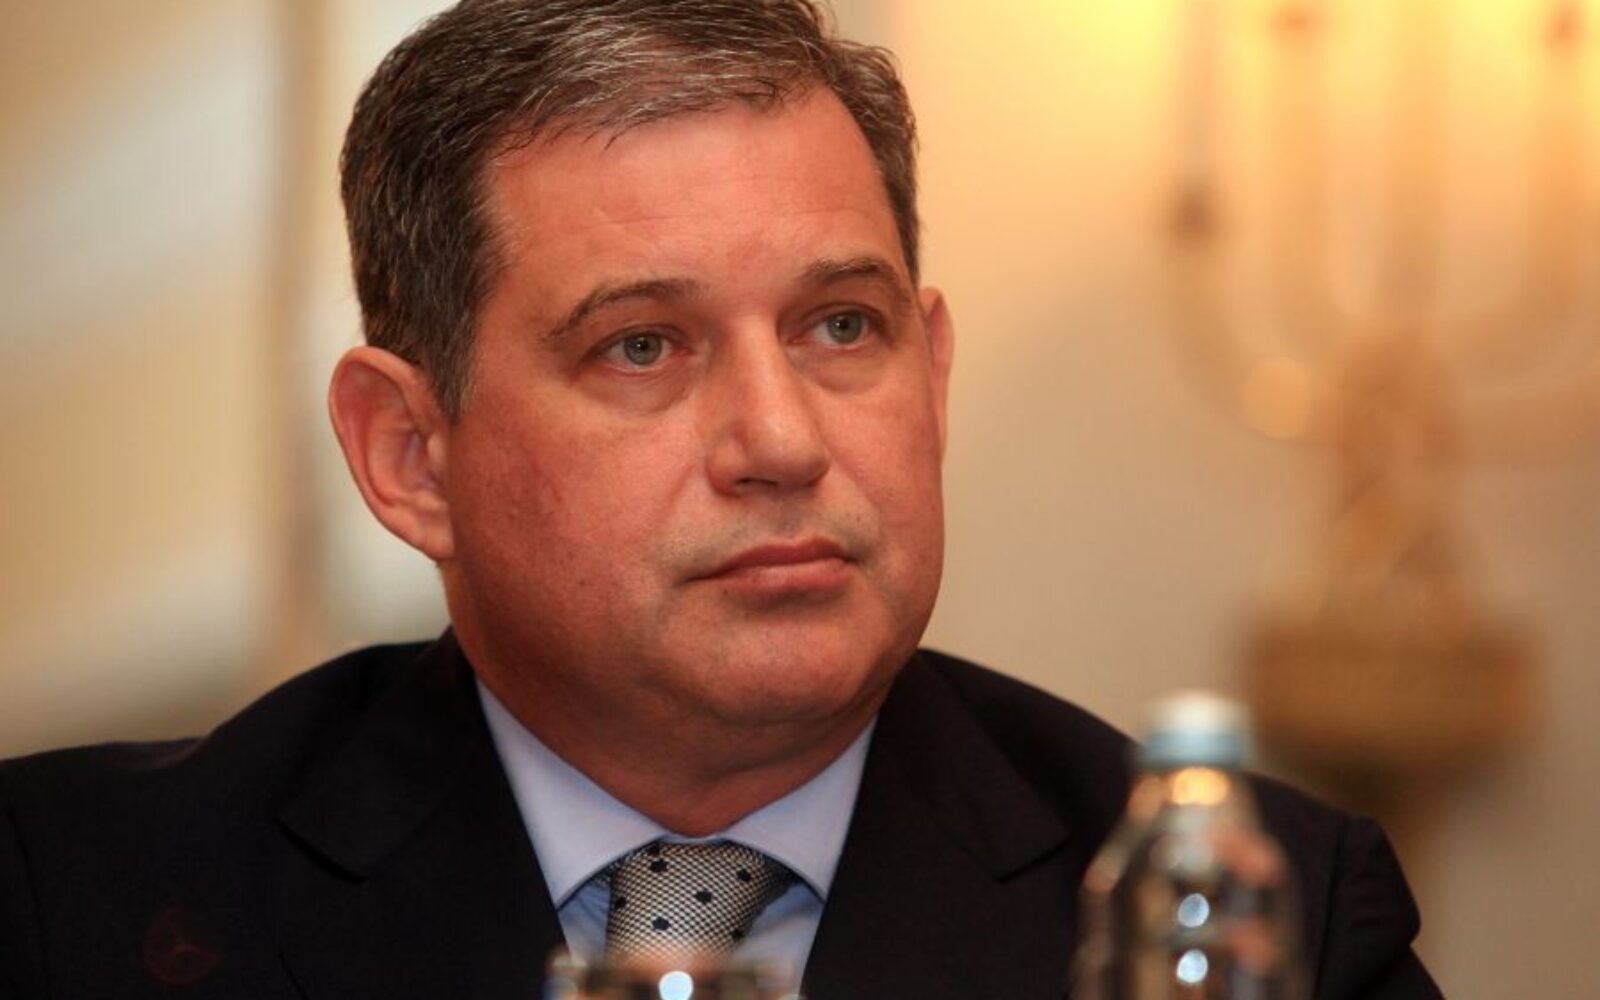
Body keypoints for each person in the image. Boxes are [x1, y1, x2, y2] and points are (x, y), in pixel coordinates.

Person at [0, 2, 1442, 997]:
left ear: (932, 374)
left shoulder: (1267, 920)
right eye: (643, 346)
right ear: (409, 456)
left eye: (841, 328)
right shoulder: (70, 908)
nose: (781, 439)